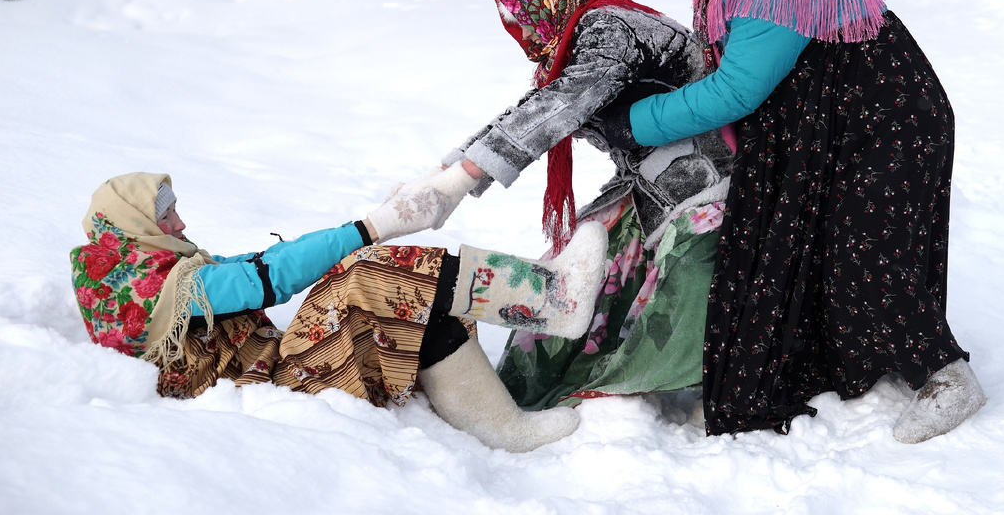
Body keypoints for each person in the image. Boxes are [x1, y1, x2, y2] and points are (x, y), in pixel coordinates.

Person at [618, 0, 985, 443]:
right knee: (824, 247)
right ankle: (835, 363)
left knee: (864, 247)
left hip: (888, 124)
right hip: (847, 124)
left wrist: (636, 122)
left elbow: (736, 90)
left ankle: (948, 378)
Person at [70, 169, 608, 452]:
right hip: (274, 396)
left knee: (406, 291)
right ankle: (555, 300)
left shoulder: (156, 273)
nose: (182, 225)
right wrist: (372, 228)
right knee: (375, 273)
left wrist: (373, 227)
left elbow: (259, 262)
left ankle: (503, 428)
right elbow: (266, 278)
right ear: (132, 224)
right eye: (166, 217)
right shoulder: (134, 289)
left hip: (278, 373)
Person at [436, 0, 734, 411]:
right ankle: (524, 390)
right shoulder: (572, 47)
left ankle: (627, 385)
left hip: (708, 185)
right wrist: (454, 166)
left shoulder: (612, 27)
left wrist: (463, 175)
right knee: (571, 264)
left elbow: (563, 104)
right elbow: (534, 108)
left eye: (526, 15)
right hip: (649, 187)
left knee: (682, 281)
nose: (522, 30)